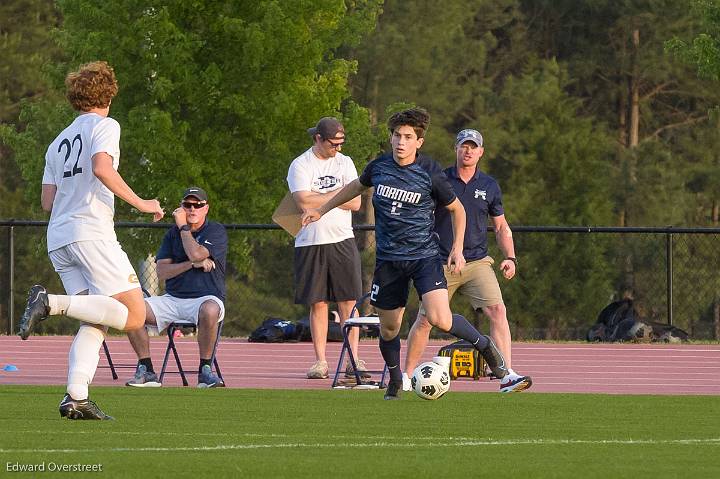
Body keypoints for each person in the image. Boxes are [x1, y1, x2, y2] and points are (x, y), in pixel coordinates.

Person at [302, 108, 509, 399]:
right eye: (397, 135)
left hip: (424, 257)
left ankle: (484, 345)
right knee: (389, 327)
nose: (401, 141)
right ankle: (396, 379)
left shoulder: (430, 172)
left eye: (408, 137)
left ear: (418, 142)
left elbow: (457, 210)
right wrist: (320, 210)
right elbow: (354, 188)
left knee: (440, 318)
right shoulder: (380, 167)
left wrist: (457, 247)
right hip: (389, 260)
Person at [18, 61, 164, 420]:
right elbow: (102, 167)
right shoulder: (106, 125)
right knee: (133, 315)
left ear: (74, 98)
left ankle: (76, 396)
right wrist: (143, 203)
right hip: (91, 232)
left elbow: (47, 202)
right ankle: (49, 302)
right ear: (110, 94)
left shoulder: (57, 142)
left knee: (95, 321)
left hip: (60, 238)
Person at [403, 129, 532, 393]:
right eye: (464, 146)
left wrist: (510, 257)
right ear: (456, 149)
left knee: (498, 311)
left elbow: (501, 227)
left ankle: (506, 374)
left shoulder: (490, 186)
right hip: (439, 261)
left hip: (477, 262)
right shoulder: (440, 180)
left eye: (473, 146)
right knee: (426, 319)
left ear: (481, 152)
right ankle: (405, 377)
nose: (468, 151)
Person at [125, 187, 228, 388]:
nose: (192, 209)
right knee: (132, 309)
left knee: (210, 309)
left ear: (206, 208)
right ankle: (146, 369)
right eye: (187, 205)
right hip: (172, 299)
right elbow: (162, 272)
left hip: (206, 298)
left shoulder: (215, 231)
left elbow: (197, 253)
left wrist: (183, 228)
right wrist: (191, 265)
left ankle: (205, 371)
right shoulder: (171, 235)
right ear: (181, 206)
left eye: (197, 205)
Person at [287, 117, 366, 380]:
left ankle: (352, 358)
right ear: (318, 139)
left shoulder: (346, 162)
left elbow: (355, 203)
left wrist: (321, 199)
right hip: (311, 241)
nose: (338, 149)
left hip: (342, 239)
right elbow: (301, 200)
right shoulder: (301, 164)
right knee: (318, 303)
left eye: (341, 143)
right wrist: (340, 195)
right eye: (333, 144)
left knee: (348, 301)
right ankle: (320, 361)